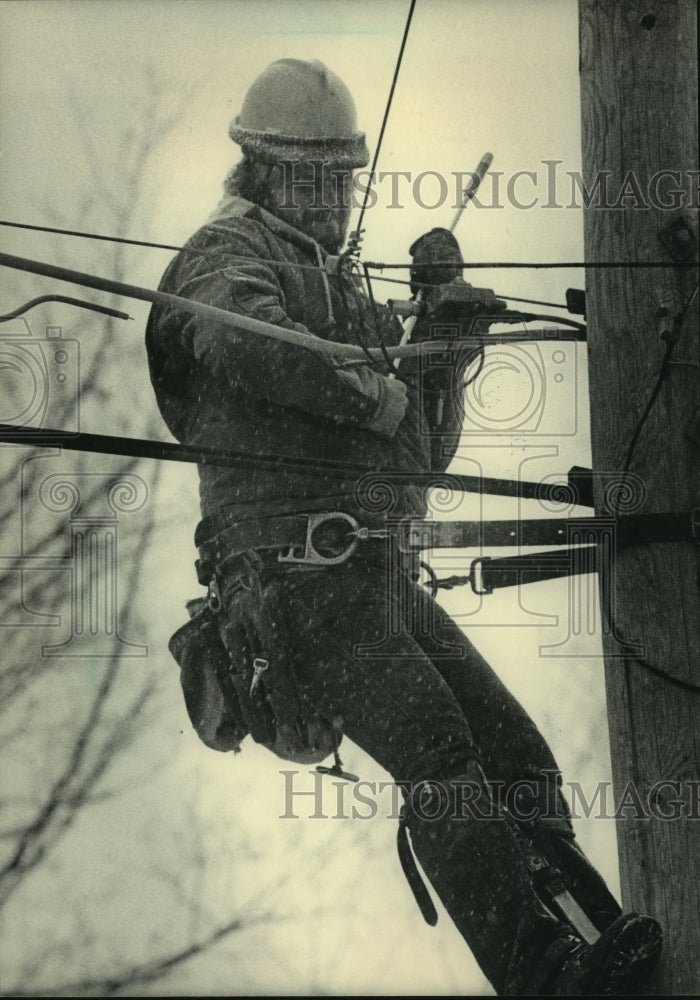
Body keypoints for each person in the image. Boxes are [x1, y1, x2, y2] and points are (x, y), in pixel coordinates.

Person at [146, 58, 663, 996]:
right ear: (259, 171)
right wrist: (371, 380)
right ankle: (541, 974)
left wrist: (441, 345)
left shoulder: (337, 288)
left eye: (342, 179)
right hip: (295, 583)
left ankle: (587, 939)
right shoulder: (226, 256)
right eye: (311, 178)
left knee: (517, 756)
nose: (333, 199)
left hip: (376, 577)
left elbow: (413, 459)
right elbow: (235, 337)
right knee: (439, 754)